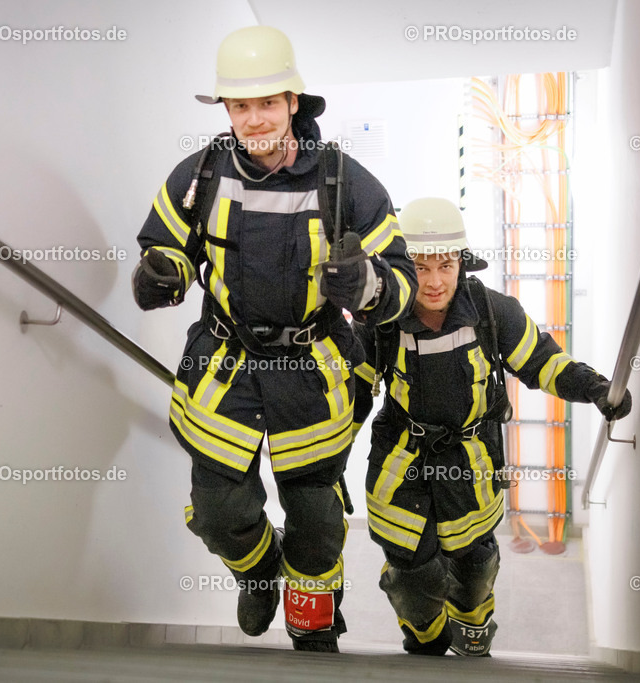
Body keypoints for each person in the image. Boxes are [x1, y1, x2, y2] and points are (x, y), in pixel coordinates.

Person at [132, 26, 416, 652]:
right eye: (240, 105)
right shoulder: (200, 172)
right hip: (226, 364)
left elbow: (403, 284)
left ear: (294, 101)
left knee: (316, 521)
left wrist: (365, 283)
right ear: (226, 110)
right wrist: (160, 275)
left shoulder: (349, 182)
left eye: (267, 103)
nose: (254, 119)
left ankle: (311, 630)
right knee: (217, 511)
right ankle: (260, 574)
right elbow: (167, 248)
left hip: (313, 373)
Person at [351, 197, 632, 656]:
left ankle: (473, 627)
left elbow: (545, 363)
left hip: (471, 464)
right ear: (401, 267)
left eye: (446, 265)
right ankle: (425, 639)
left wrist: (598, 389)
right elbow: (350, 396)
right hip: (401, 464)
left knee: (475, 566)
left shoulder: (493, 312)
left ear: (462, 262)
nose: (436, 281)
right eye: (421, 267)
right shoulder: (381, 321)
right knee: (411, 576)